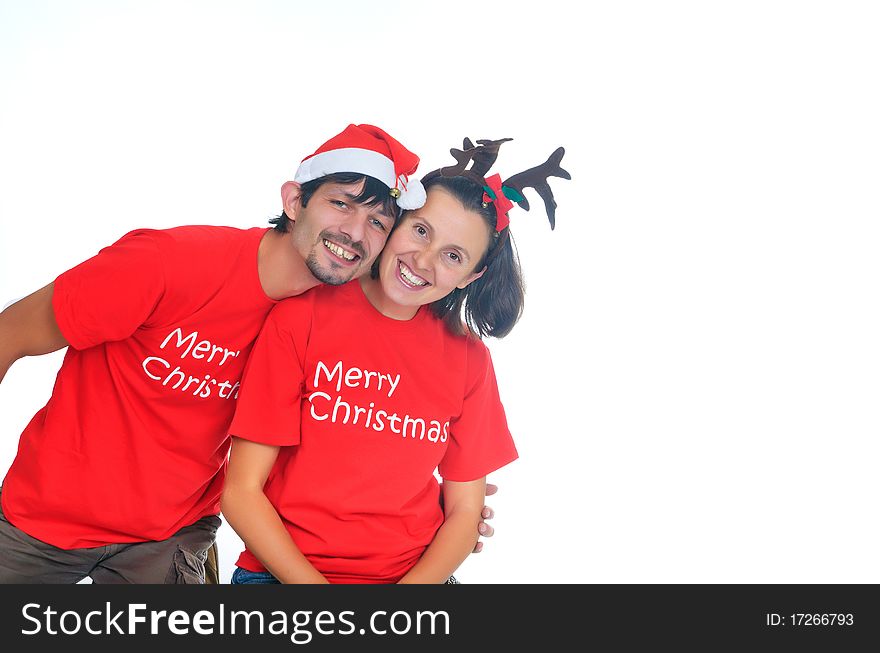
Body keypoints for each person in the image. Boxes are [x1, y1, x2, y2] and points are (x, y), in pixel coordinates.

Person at [0, 124, 496, 584]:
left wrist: (446, 511)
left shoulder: (332, 319)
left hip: (172, 536)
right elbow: (9, 335)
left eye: (378, 222)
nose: (354, 233)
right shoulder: (167, 265)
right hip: (42, 521)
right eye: (342, 205)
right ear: (294, 200)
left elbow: (375, 416)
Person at [221, 138, 569, 583]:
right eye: (421, 231)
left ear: (472, 276)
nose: (423, 261)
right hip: (283, 576)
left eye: (453, 255)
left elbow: (465, 511)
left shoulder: (468, 358)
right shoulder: (300, 319)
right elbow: (241, 492)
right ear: (397, 221)